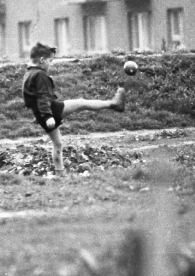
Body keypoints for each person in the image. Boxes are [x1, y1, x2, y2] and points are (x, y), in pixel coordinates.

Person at [22, 42, 126, 176]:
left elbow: (29, 99)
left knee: (57, 143)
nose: (51, 64)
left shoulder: (28, 74)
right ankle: (114, 104)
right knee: (82, 103)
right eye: (50, 61)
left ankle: (60, 173)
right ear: (42, 60)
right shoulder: (40, 75)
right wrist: (47, 116)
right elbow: (43, 97)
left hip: (41, 113)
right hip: (50, 110)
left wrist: (39, 115)